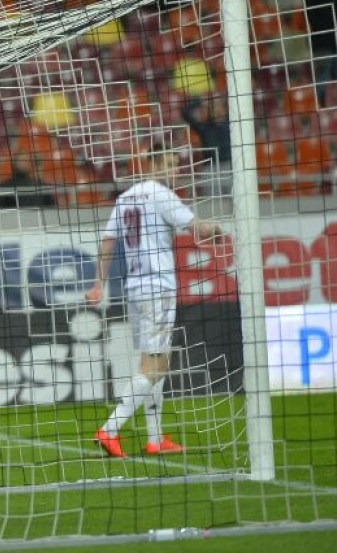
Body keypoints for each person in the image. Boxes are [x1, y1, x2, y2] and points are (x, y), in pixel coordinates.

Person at [86, 145, 224, 458]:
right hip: (158, 288)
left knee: (156, 360)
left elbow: (108, 240)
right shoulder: (160, 195)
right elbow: (199, 229)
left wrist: (99, 284)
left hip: (134, 288)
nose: (176, 171)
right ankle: (110, 429)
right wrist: (220, 228)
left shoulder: (125, 197)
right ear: (153, 163)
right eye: (171, 164)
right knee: (155, 364)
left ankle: (155, 437)